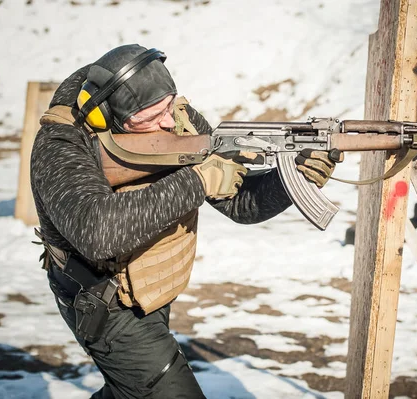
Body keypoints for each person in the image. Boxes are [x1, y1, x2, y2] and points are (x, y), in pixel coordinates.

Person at [30, 44, 338, 399]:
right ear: (104, 115)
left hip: (149, 283)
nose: (167, 123)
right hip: (101, 298)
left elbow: (239, 204)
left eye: (169, 106)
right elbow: (98, 233)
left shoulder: (176, 115)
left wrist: (292, 178)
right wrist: (197, 179)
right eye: (149, 117)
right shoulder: (60, 144)